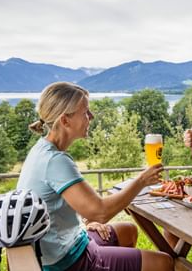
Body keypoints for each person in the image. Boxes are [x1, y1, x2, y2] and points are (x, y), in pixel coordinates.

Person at [17, 82, 173, 271]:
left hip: (62, 244)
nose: (91, 116)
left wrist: (83, 226)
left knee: (128, 231)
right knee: (163, 262)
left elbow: (62, 206)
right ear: (65, 121)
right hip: (67, 261)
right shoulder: (55, 161)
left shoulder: (42, 149)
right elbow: (100, 212)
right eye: (85, 112)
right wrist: (141, 181)